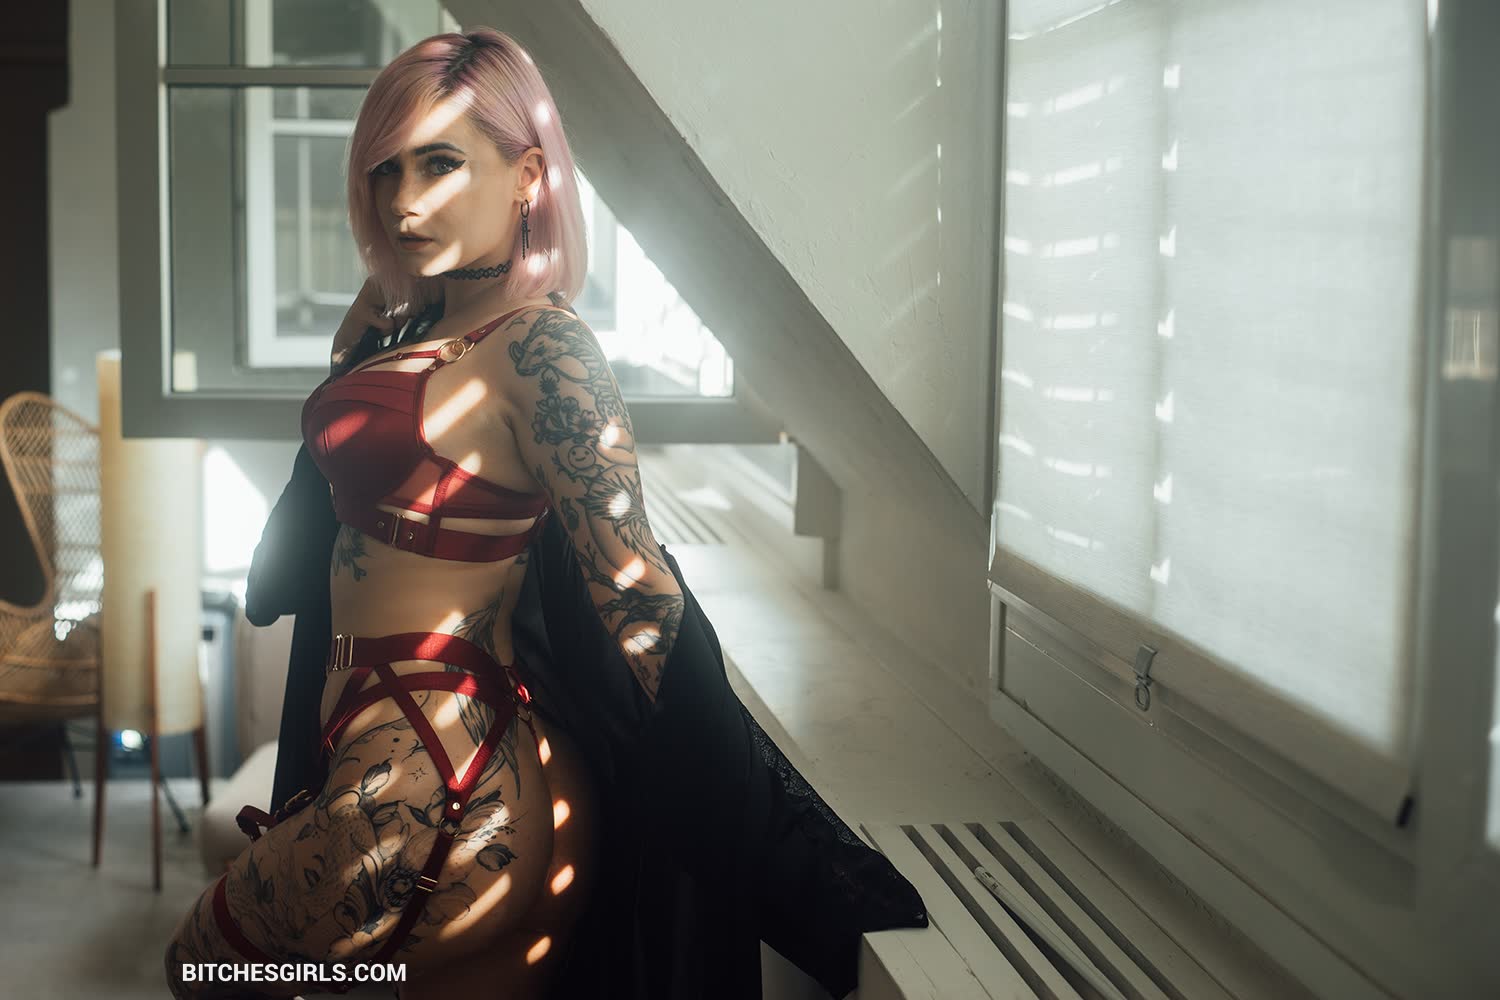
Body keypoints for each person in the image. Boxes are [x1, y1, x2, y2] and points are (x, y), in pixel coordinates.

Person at [164, 27, 926, 1000]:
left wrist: (808, 865)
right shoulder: (428, 328)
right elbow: (299, 551)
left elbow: (644, 606)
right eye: (387, 170)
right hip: (405, 762)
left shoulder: (542, 349)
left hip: (429, 780)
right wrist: (361, 343)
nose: (403, 201)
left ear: (527, 176)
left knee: (201, 964)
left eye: (439, 163)